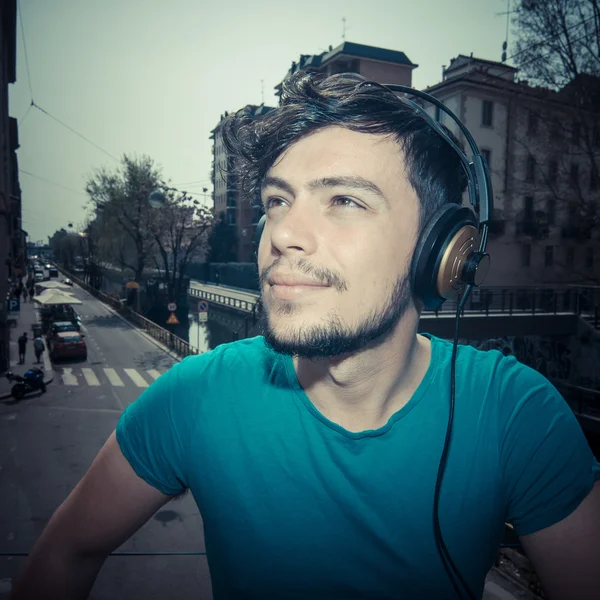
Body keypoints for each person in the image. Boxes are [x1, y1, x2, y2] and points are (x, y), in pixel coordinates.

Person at [11, 72, 600, 600]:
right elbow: (67, 549)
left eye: (343, 200)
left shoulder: (516, 414)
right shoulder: (194, 396)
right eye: (277, 200)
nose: (283, 232)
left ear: (441, 253)